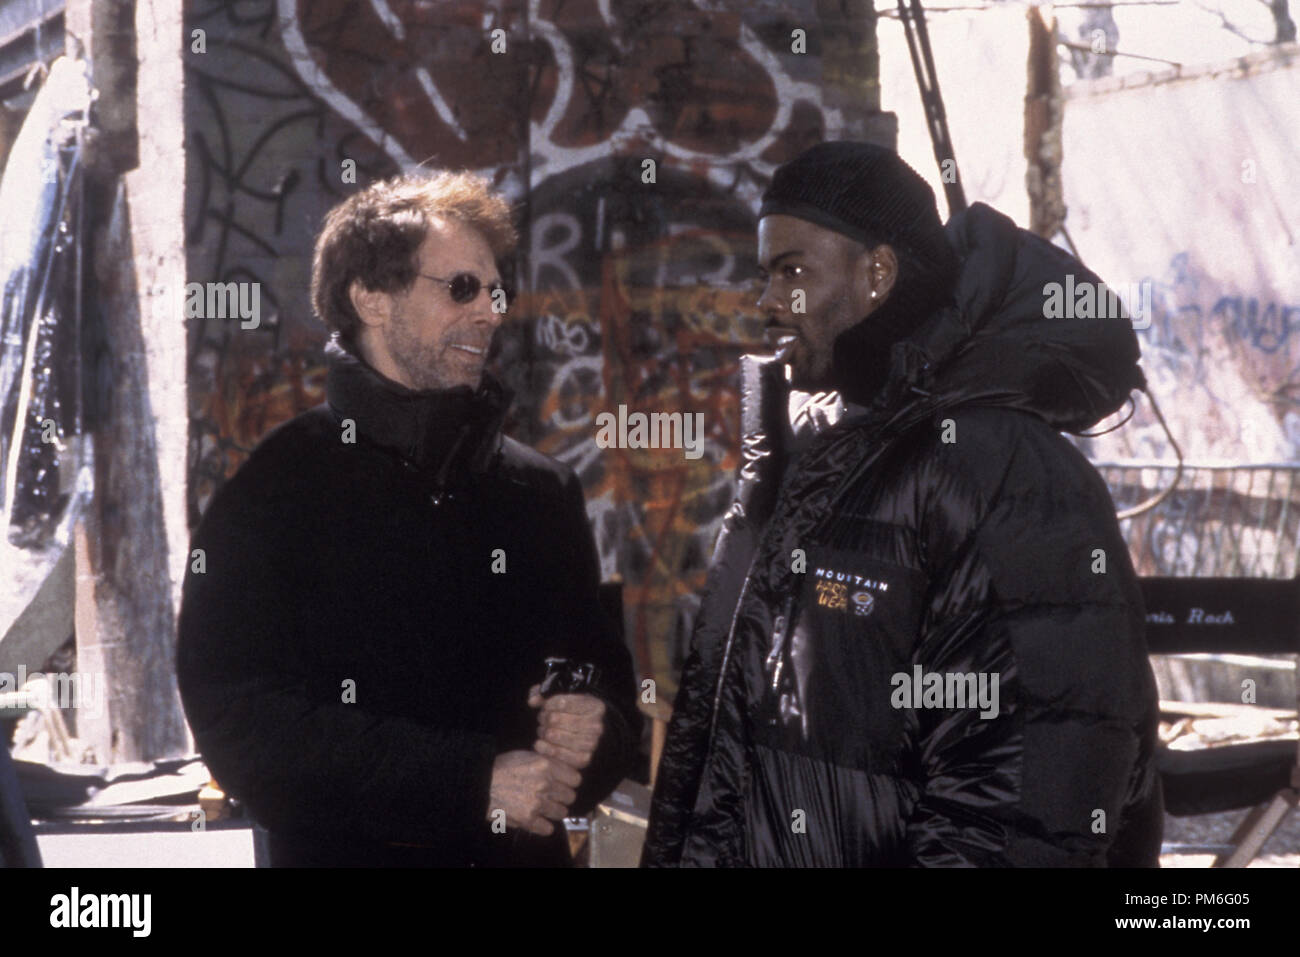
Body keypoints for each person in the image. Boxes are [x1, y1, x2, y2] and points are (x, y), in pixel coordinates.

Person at [643, 141, 1163, 867]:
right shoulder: (808, 444)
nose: (765, 302)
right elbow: (716, 746)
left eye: (791, 271)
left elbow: (1021, 799)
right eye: (765, 275)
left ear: (877, 273)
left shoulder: (1005, 471)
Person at [177, 170, 640, 867]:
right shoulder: (277, 487)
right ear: (371, 298)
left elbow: (607, 682)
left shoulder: (539, 490)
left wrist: (594, 726)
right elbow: (240, 723)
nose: (488, 311)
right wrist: (468, 780)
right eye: (460, 287)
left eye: (495, 291)